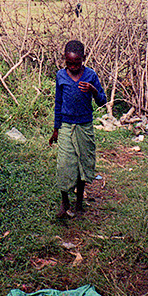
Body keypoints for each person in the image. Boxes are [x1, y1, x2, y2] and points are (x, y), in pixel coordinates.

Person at [49, 40, 106, 218]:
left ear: (84, 59)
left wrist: (93, 90)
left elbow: (102, 101)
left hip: (84, 126)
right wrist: (56, 129)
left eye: (76, 63)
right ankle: (64, 202)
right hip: (66, 125)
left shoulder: (90, 75)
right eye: (69, 63)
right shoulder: (61, 76)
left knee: (83, 163)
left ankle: (79, 202)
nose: (73, 66)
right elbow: (58, 104)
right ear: (64, 61)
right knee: (65, 164)